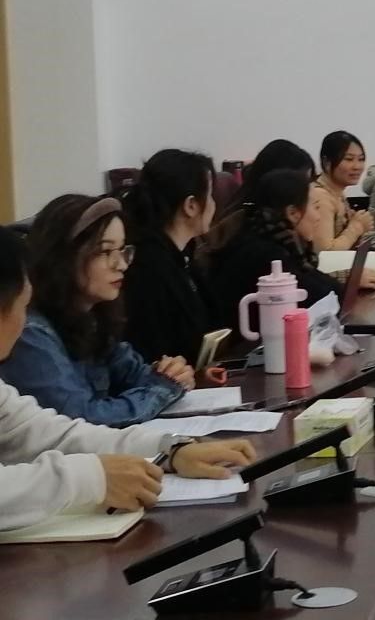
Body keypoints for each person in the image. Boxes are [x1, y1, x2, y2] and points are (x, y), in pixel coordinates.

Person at [0, 226, 256, 530]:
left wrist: (170, 450)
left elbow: (55, 435)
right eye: (23, 306)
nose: (25, 321)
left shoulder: (94, 320)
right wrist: (90, 478)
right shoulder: (37, 334)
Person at [0, 195, 196, 426]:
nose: (121, 264)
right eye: (105, 251)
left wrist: (170, 374)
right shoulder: (30, 332)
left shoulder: (92, 316)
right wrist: (164, 388)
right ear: (63, 257)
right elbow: (82, 418)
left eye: (122, 250)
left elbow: (137, 375)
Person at [120, 149, 221, 363]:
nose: (214, 204)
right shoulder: (147, 266)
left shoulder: (182, 256)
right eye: (210, 195)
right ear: (191, 205)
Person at [209, 169, 342, 318]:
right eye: (316, 207)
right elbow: (320, 296)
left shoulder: (270, 236)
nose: (318, 217)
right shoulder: (265, 253)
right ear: (292, 213)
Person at [310, 131, 375, 251]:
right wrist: (357, 227)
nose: (357, 166)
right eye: (349, 159)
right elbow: (326, 253)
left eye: (361, 159)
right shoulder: (320, 196)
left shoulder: (336, 192)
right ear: (327, 162)